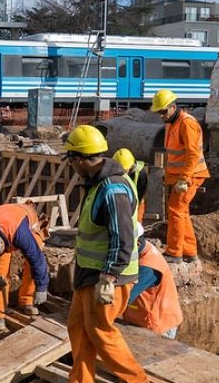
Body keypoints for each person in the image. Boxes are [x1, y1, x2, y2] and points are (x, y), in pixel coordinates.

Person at [62, 124, 148, 383]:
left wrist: (108, 277)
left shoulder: (113, 189)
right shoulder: (97, 183)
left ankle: (138, 380)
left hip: (106, 277)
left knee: (101, 333)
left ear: (79, 159)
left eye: (71, 160)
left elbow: (122, 238)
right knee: (78, 327)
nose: (71, 166)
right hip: (89, 274)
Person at [150, 89, 210, 264]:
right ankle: (189, 251)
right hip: (181, 175)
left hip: (191, 175)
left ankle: (174, 252)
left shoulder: (186, 123)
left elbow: (192, 154)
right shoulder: (171, 123)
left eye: (163, 111)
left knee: (176, 210)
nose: (161, 115)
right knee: (181, 211)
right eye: (158, 112)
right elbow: (175, 154)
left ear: (173, 107)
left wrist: (184, 178)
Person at [0, 203, 50, 331]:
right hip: (2, 220)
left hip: (24, 219)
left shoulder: (21, 235)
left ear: (1, 245)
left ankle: (27, 300)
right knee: (0, 272)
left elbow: (37, 259)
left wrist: (42, 287)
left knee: (31, 264)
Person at [121, 238, 183, 339]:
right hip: (140, 318)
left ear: (137, 243)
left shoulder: (148, 268)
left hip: (158, 325)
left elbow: (125, 297)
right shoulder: (142, 249)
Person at [112, 148, 149, 224]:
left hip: (137, 201)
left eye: (124, 170)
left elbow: (141, 193)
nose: (122, 172)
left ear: (131, 166)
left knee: (135, 225)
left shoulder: (141, 173)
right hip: (120, 200)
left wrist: (132, 207)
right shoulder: (112, 170)